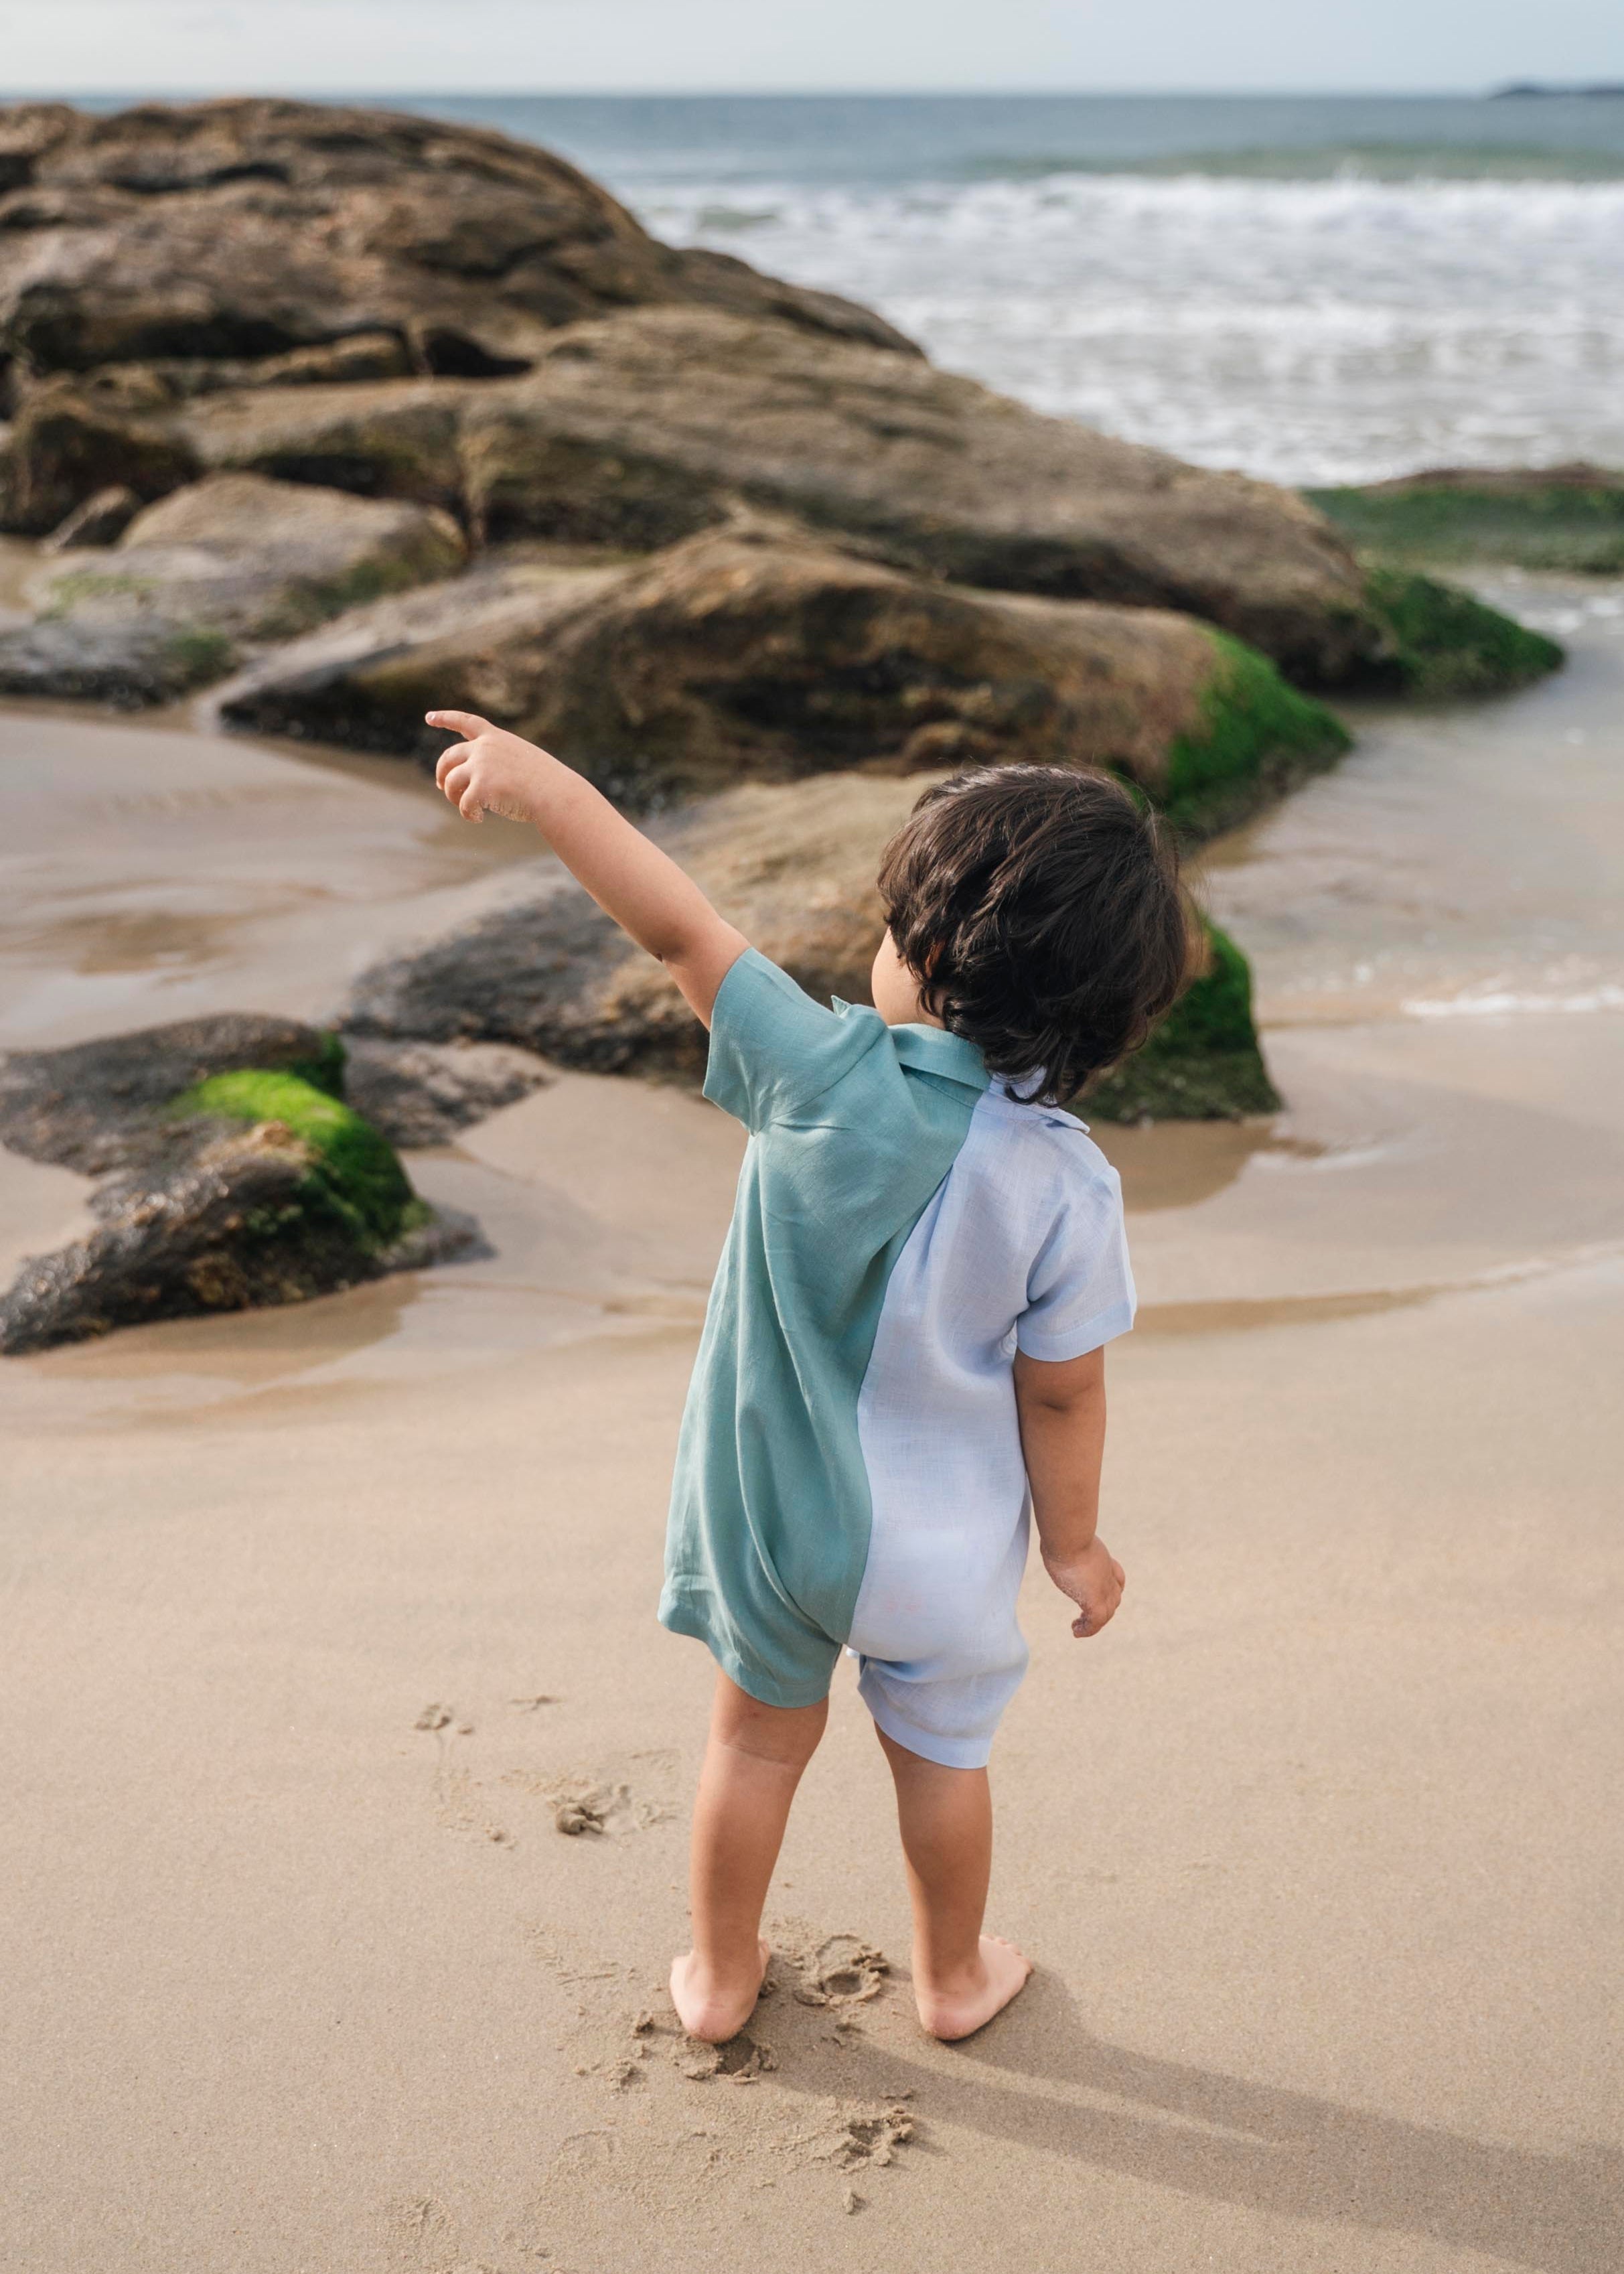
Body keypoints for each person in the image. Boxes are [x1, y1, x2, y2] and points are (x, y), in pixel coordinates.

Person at [428, 710, 1190, 2044]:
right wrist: (1073, 1547)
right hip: (947, 1555)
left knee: (751, 1747)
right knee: (943, 1763)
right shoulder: (1070, 1179)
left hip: (780, 1525)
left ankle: (721, 1979)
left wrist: (549, 786)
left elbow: (675, 927)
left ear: (933, 953)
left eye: (895, 932)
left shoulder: (819, 1072)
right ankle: (951, 1980)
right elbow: (1062, 1390)